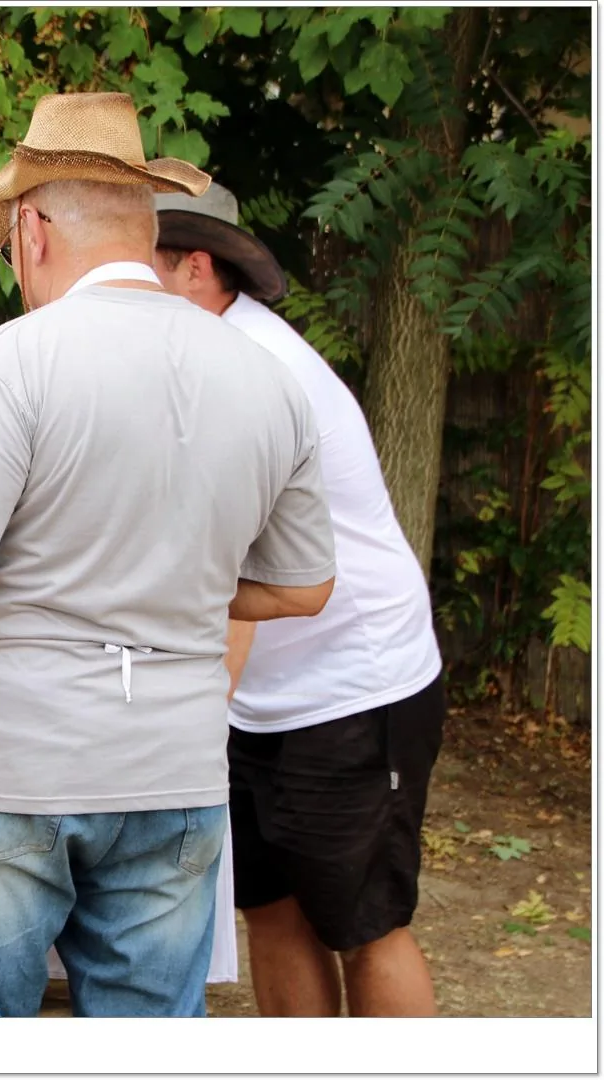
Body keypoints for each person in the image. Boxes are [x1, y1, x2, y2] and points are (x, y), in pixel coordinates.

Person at [0, 92, 338, 1018]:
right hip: (174, 767)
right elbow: (304, 587)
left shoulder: (15, 362)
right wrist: (180, 586)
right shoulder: (268, 378)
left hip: (11, 767)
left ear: (30, 230)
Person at [153, 183, 445, 1017]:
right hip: (268, 702)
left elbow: (235, 569)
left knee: (362, 923)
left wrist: (196, 716)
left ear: (196, 269)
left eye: (142, 267)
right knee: (272, 911)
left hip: (354, 688)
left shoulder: (253, 371)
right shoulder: (197, 358)